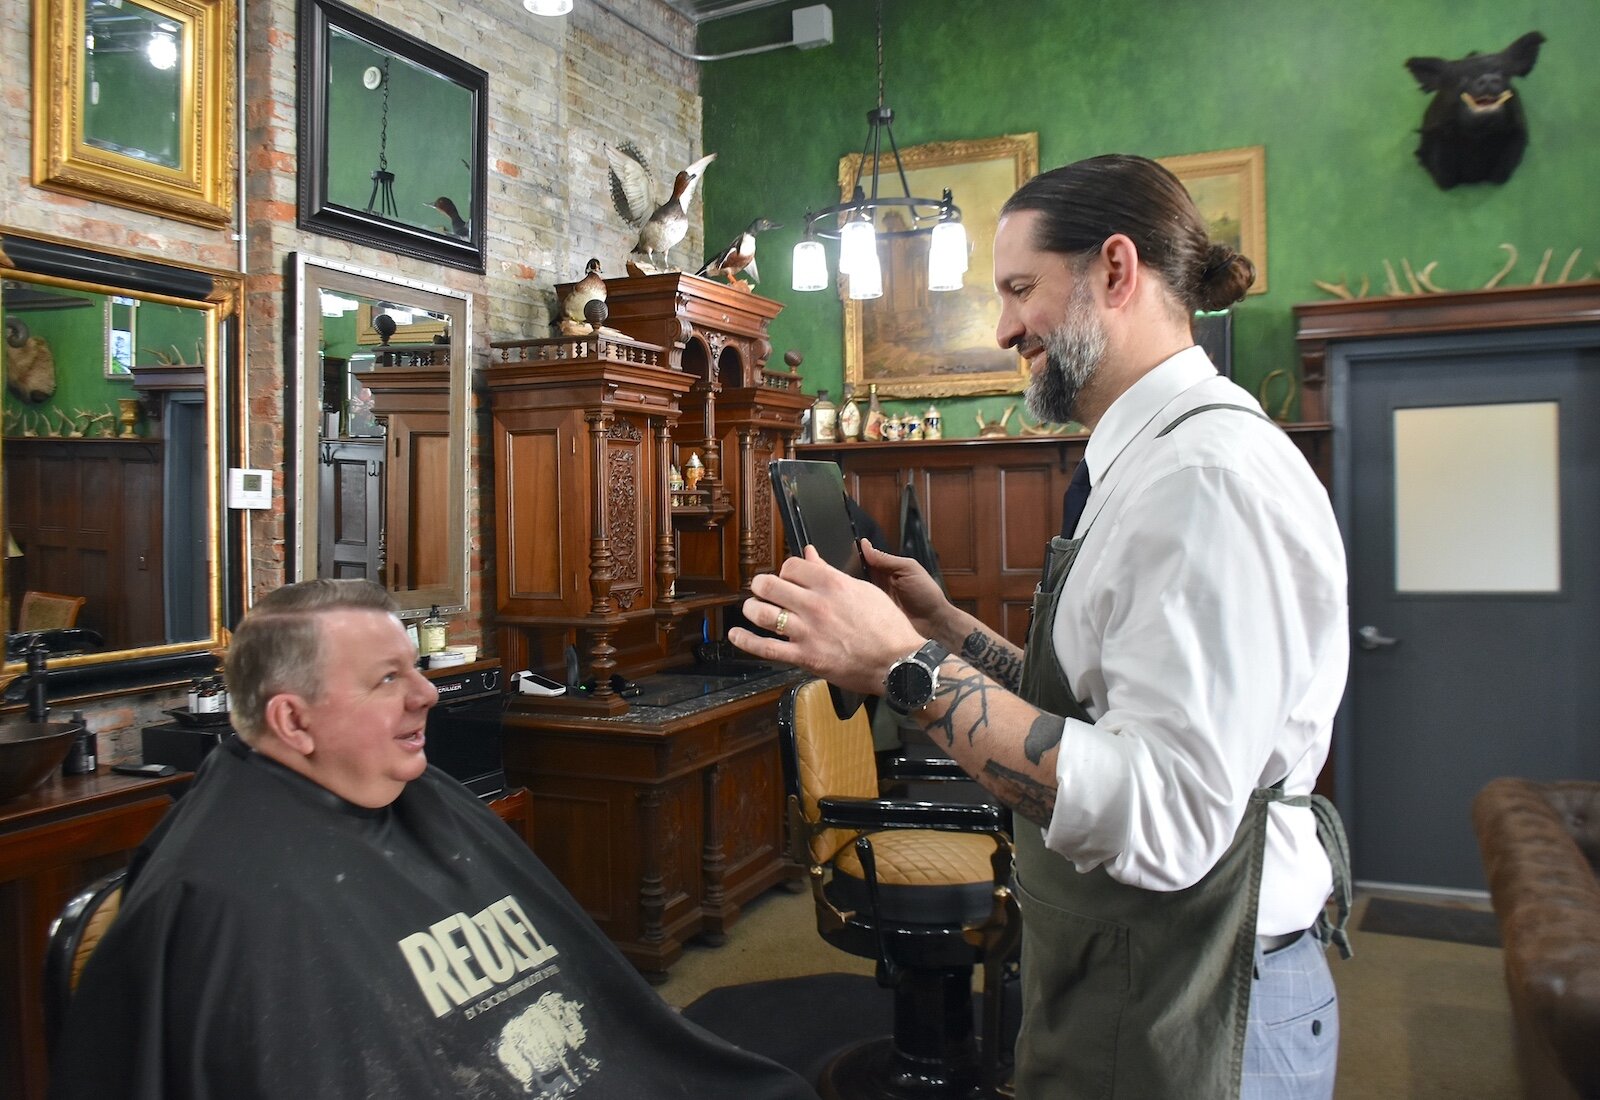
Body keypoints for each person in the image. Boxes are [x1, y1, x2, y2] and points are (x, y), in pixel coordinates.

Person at [731, 154, 1351, 1099]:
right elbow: (1104, 715)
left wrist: (907, 669)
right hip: (1132, 978)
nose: (1004, 326)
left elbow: (1168, 813)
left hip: (1200, 1004)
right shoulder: (1149, 464)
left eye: (1021, 288)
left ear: (1115, 269)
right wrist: (942, 625)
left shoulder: (1203, 482)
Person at [52, 579, 816, 1100]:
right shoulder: (219, 900)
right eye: (389, 680)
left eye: (418, 670)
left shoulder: (424, 798)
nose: (427, 696)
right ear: (292, 720)